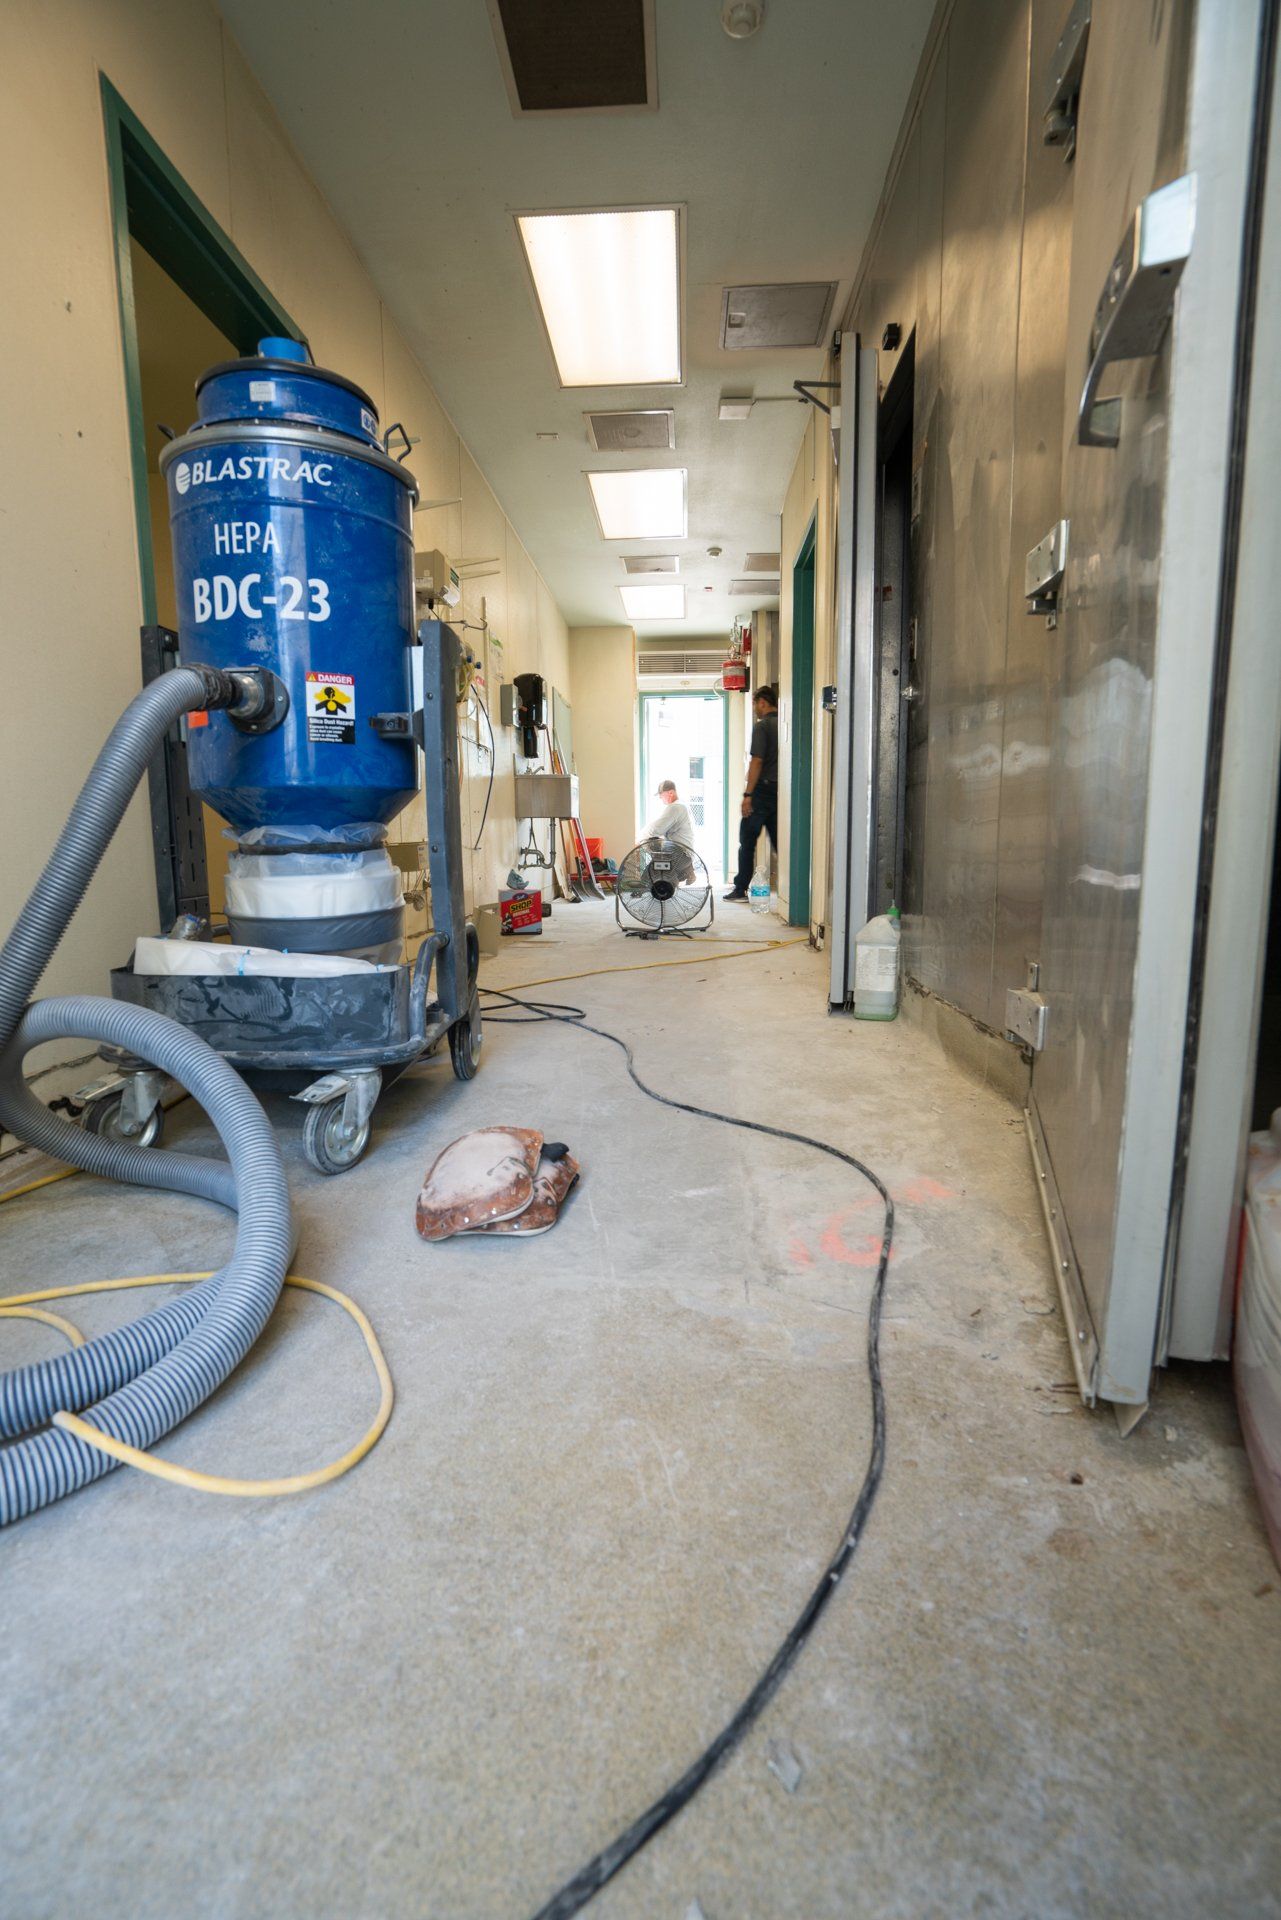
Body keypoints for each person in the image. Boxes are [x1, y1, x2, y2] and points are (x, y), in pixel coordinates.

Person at [725, 684, 778, 899]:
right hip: (780, 792)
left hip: (762, 791)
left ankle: (740, 888)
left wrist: (748, 795)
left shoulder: (762, 726)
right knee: (780, 843)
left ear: (762, 702)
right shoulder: (784, 725)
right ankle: (794, 890)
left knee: (746, 841)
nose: (755, 708)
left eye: (755, 703)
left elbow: (757, 761)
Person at [642, 779, 697, 881]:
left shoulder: (675, 807)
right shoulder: (682, 805)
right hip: (685, 855)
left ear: (670, 793)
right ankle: (687, 870)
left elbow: (656, 829)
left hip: (679, 855)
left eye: (661, 794)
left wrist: (641, 837)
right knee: (658, 853)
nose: (660, 797)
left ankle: (644, 883)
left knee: (651, 842)